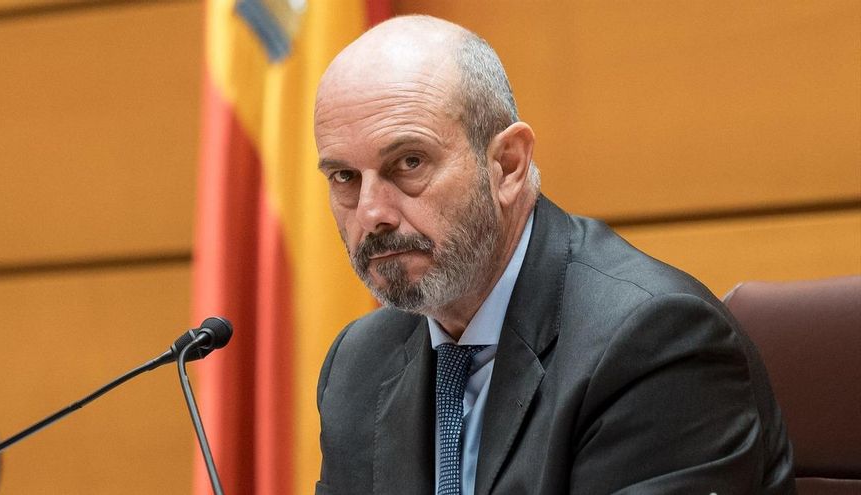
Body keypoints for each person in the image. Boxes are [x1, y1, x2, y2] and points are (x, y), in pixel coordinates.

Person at [313, 15, 795, 495]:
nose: (372, 212)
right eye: (344, 178)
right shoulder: (360, 363)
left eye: (409, 163)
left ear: (507, 165)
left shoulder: (654, 343)